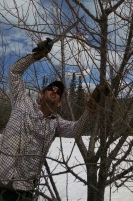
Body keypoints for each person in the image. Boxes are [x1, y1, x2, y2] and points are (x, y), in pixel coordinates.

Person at [0, 39, 100, 201]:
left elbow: (77, 129)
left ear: (59, 102)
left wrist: (91, 108)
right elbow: (14, 72)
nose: (54, 91)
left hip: (23, 192)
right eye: (50, 88)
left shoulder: (55, 124)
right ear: (41, 93)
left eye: (58, 92)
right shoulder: (21, 101)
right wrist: (36, 56)